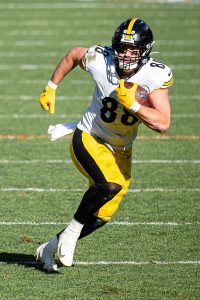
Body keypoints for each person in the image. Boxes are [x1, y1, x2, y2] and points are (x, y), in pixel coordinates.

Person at [36, 17, 173, 272]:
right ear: (115, 47)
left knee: (102, 216)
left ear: (145, 51)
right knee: (108, 185)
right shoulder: (101, 59)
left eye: (134, 50)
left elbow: (163, 122)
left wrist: (134, 104)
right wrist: (51, 86)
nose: (126, 55)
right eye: (122, 48)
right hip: (89, 136)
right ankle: (70, 235)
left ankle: (51, 245)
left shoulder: (154, 75)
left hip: (121, 149)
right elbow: (74, 55)